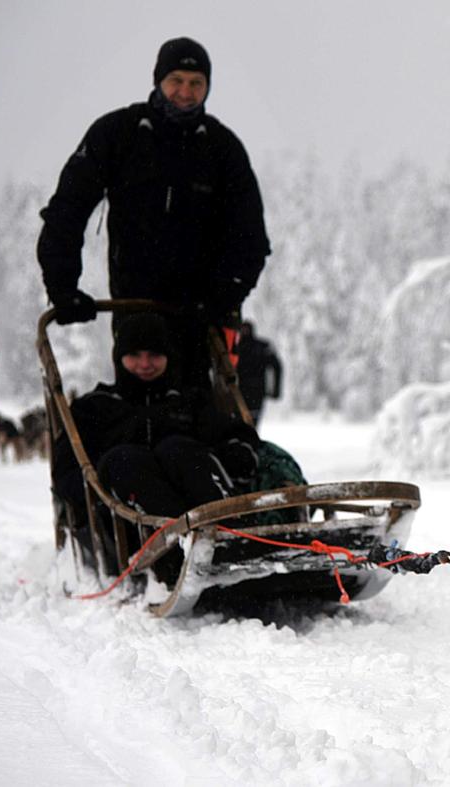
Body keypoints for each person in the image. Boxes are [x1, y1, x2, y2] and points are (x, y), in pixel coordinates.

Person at [36, 36, 271, 377]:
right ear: (158, 80)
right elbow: (66, 211)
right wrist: (63, 287)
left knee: (196, 412)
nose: (186, 92)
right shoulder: (118, 134)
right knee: (135, 401)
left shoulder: (222, 149)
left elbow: (250, 239)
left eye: (196, 83)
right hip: (132, 306)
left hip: (198, 315)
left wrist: (221, 296)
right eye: (176, 81)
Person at [52, 311, 260, 570]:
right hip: (122, 527)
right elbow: (65, 471)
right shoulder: (95, 408)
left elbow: (239, 438)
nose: (145, 364)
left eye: (154, 355)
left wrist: (233, 458)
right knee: (123, 459)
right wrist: (92, 495)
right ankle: (175, 553)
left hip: (199, 507)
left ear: (167, 357)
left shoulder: (187, 402)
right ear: (119, 358)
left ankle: (235, 537)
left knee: (177, 448)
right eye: (135, 355)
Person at [236, 321, 283, 426]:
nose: (245, 332)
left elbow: (277, 367)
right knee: (240, 423)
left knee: (252, 423)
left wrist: (276, 390)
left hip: (255, 392)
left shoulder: (261, 347)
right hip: (238, 392)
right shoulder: (236, 347)